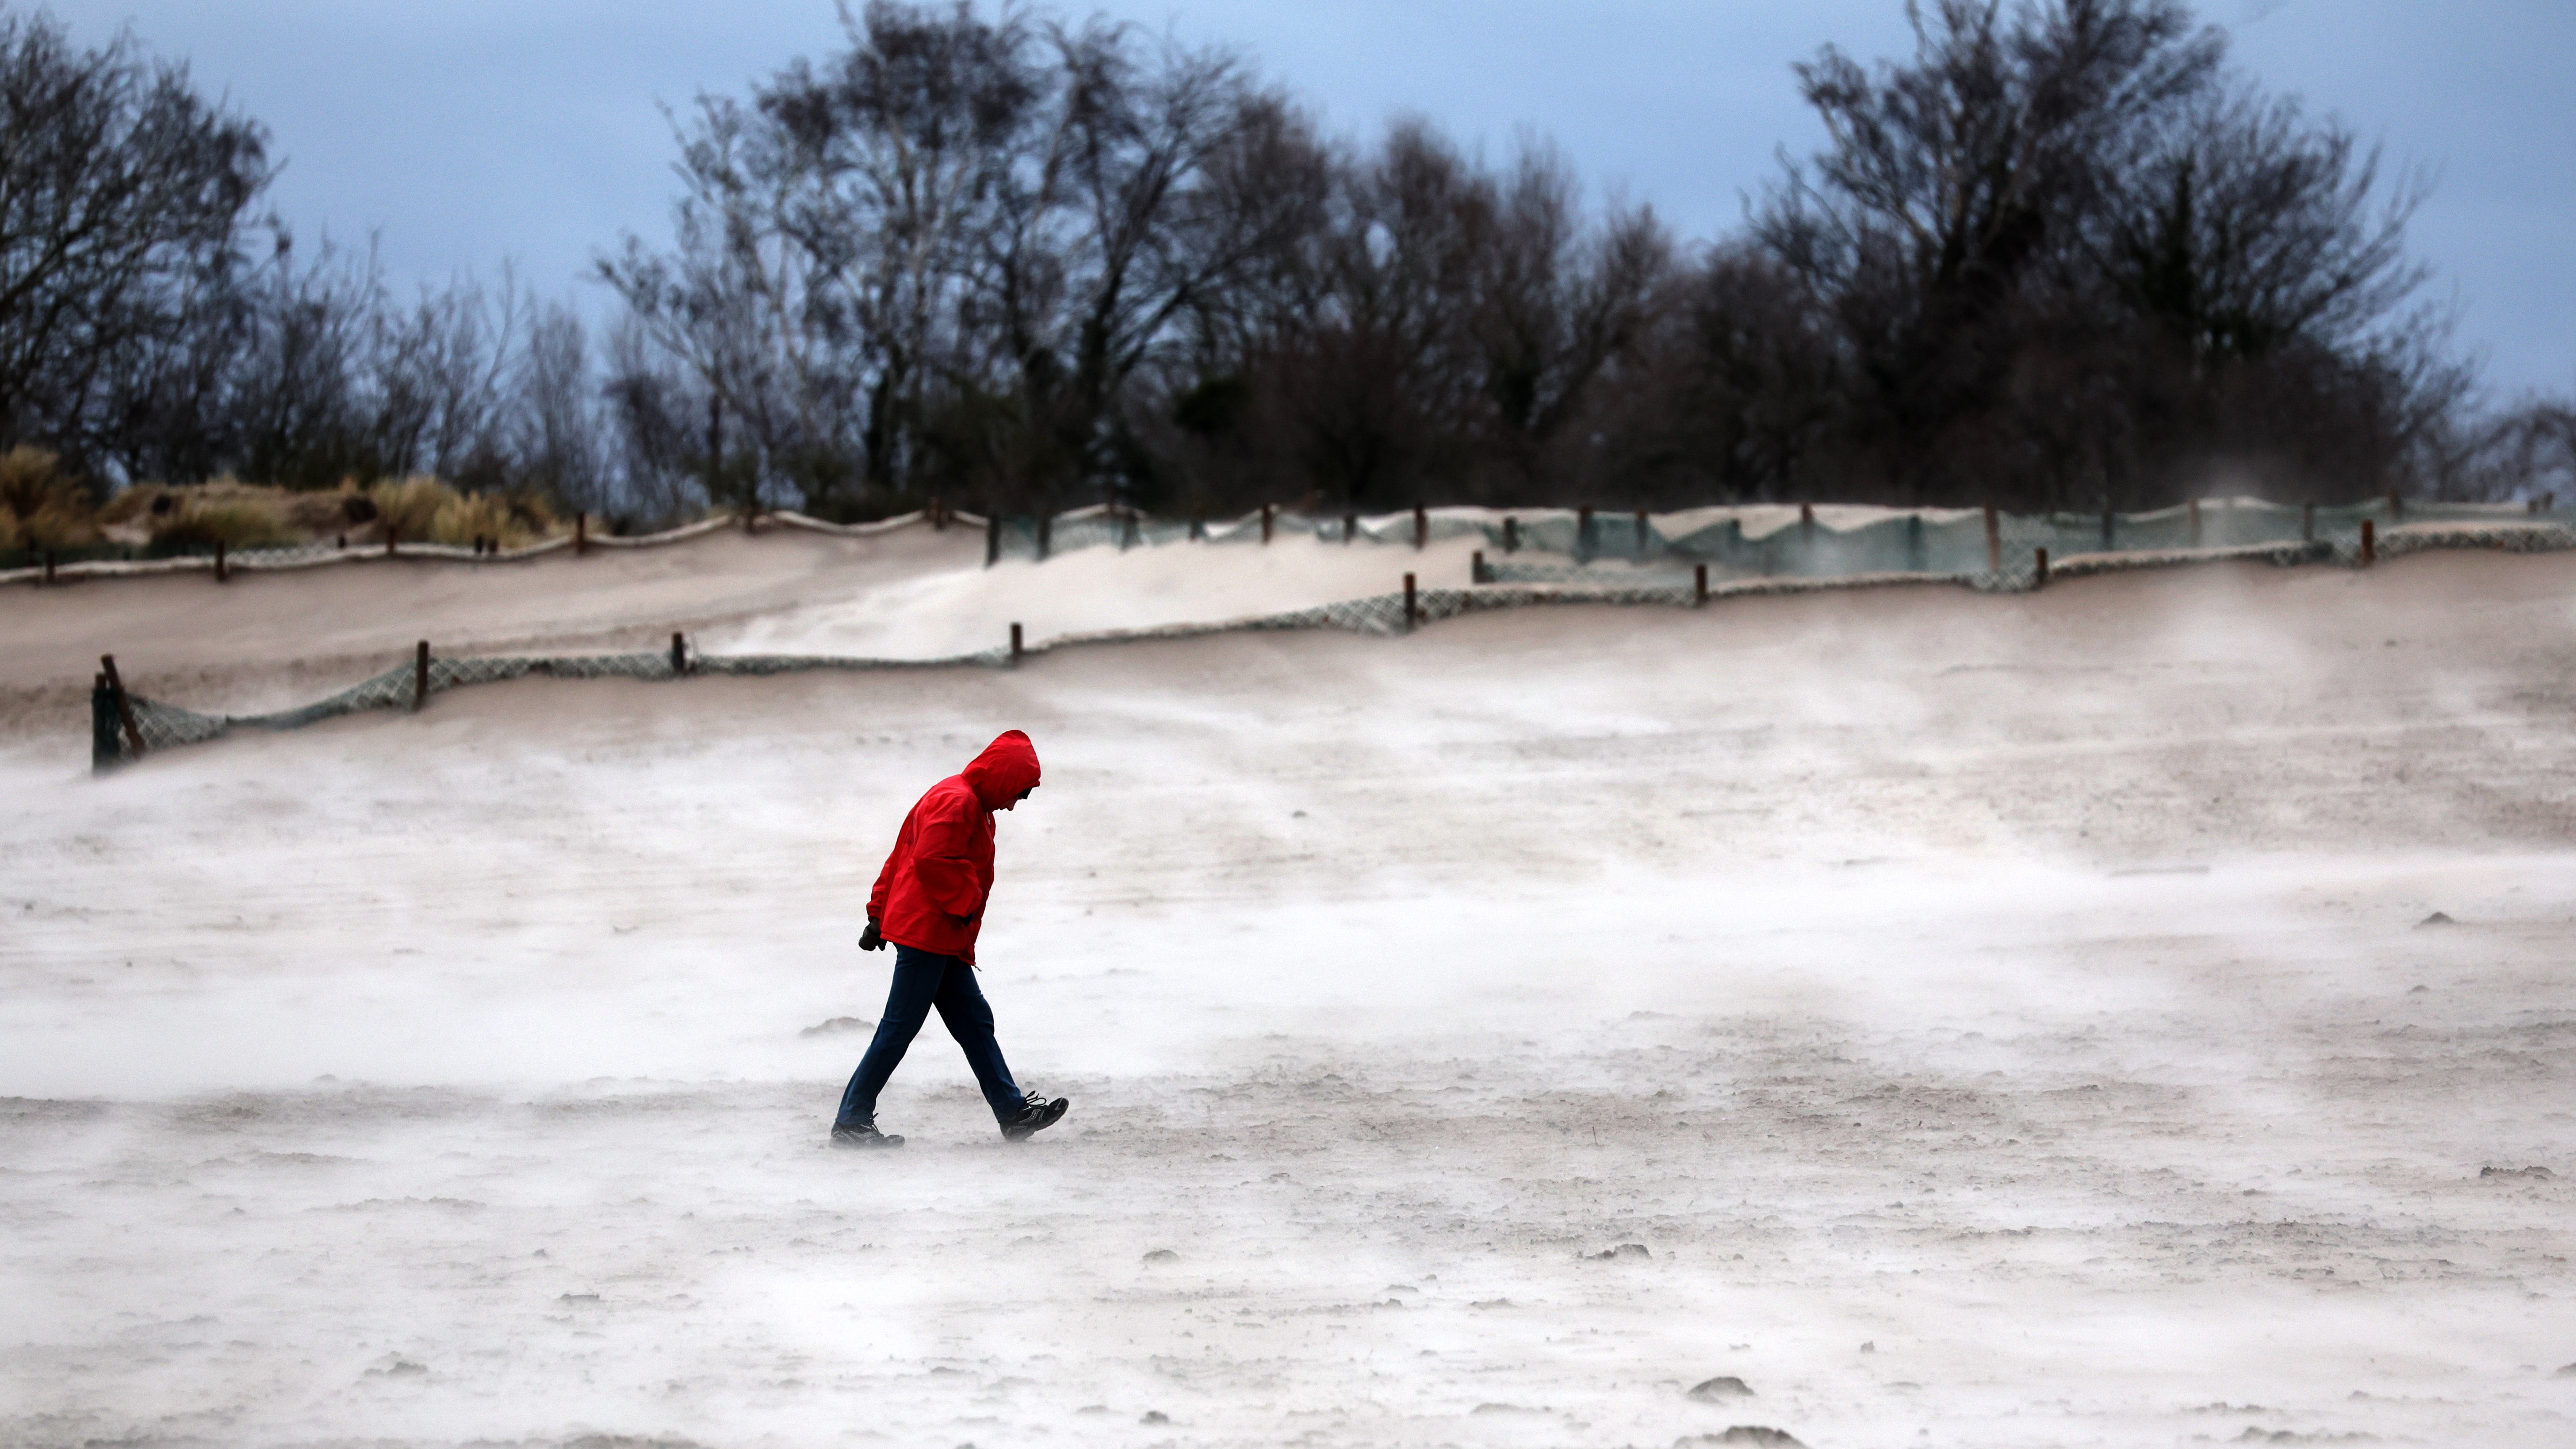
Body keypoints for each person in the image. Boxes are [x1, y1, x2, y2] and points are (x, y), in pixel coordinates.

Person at [831, 728, 1069, 1148]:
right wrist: (965, 902)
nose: (1015, 804)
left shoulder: (964, 801)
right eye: (1018, 793)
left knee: (974, 1023)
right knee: (899, 1029)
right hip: (928, 934)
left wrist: (878, 913)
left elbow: (903, 852)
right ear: (1001, 779)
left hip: (942, 935)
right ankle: (850, 1122)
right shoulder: (957, 801)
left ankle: (1012, 1112)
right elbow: (928, 858)